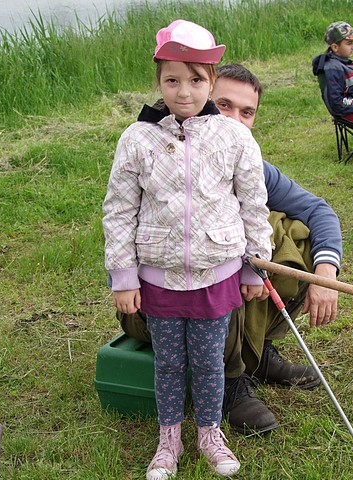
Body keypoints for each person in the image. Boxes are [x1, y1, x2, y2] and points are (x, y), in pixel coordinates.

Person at [119, 64, 343, 435]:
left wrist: (325, 275)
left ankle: (258, 350)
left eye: (247, 112)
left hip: (216, 299)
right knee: (226, 257)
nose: (234, 120)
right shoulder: (151, 148)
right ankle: (230, 382)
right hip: (157, 304)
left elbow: (319, 211)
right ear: (203, 96)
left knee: (291, 235)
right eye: (224, 105)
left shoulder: (248, 160)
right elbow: (120, 217)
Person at [102, 20, 273, 480]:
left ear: (211, 82)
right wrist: (123, 277)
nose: (184, 91)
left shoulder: (235, 137)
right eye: (172, 80)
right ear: (158, 81)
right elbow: (119, 210)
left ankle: (210, 434)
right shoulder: (136, 139)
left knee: (210, 361)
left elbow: (253, 205)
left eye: (196, 80)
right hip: (158, 279)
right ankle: (169, 440)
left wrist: (255, 267)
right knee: (169, 364)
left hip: (217, 275)